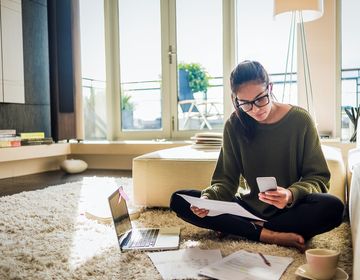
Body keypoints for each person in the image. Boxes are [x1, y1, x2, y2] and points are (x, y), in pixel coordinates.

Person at [170, 60, 344, 252]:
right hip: (246, 208)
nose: (255, 109)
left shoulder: (301, 120)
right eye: (245, 104)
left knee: (333, 207)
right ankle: (267, 234)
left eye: (260, 99)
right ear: (236, 100)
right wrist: (208, 198)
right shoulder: (234, 125)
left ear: (270, 88)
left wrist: (290, 194)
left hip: (287, 211)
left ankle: (242, 229)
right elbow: (226, 181)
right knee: (179, 199)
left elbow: (318, 177)